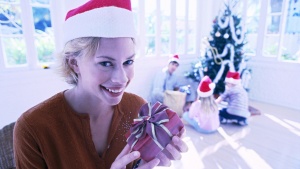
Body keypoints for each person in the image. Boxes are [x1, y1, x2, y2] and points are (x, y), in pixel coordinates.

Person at [13, 1, 188, 169]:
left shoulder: (137, 109)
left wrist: (151, 159)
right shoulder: (32, 129)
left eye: (128, 62)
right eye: (105, 63)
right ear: (74, 63)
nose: (122, 78)